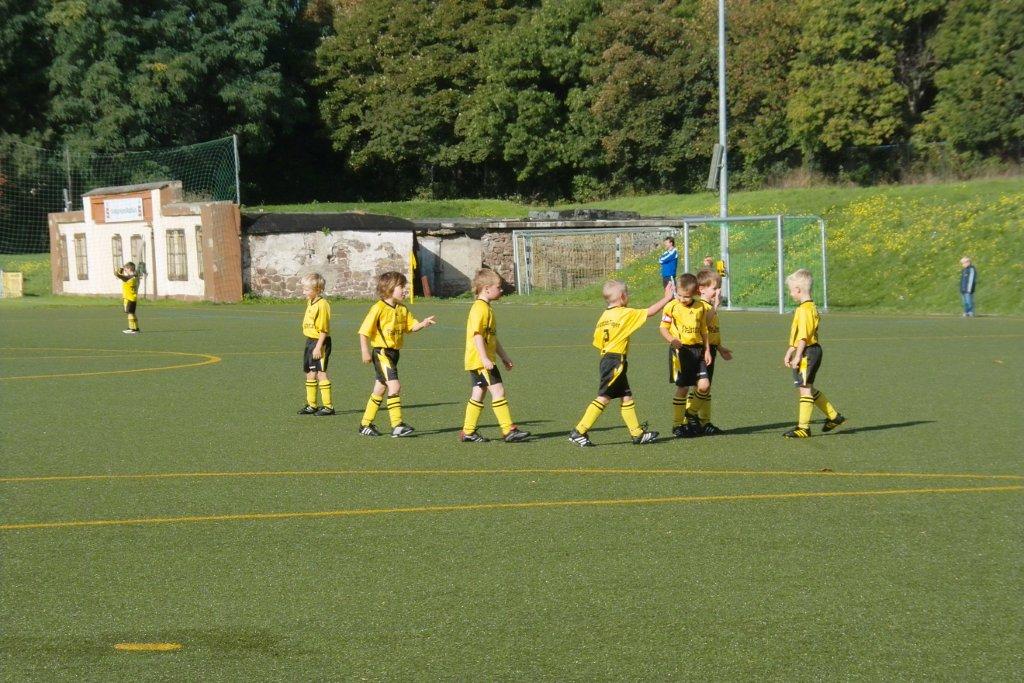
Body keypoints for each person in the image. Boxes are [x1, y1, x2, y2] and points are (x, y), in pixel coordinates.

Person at [568, 280, 674, 447]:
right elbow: (650, 312)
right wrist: (667, 297)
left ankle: (637, 433)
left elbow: (597, 341)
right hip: (615, 361)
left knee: (626, 396)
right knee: (604, 397)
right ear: (623, 296)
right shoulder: (625, 313)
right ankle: (579, 431)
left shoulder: (604, 316)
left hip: (607, 359)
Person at [357, 272, 436, 437]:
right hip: (382, 353)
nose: (405, 290)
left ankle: (365, 424)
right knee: (395, 386)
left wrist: (423, 323)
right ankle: (397, 425)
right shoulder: (378, 308)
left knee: (380, 389)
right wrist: (365, 351)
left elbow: (410, 327)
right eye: (402, 287)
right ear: (390, 288)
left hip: (394, 354)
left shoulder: (402, 309)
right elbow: (364, 332)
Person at [460, 268, 530, 443]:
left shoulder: (486, 308)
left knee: (479, 392)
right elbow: (477, 335)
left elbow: (492, 338)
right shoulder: (480, 309)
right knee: (498, 391)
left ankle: (468, 431)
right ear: (486, 289)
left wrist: (504, 356)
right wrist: (484, 358)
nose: (501, 289)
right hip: (481, 360)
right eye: (498, 287)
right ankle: (508, 430)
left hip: (479, 360)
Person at [782, 269, 844, 438]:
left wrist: (797, 355)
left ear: (798, 290)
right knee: (808, 387)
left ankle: (803, 428)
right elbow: (800, 334)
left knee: (804, 389)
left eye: (790, 290)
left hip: (808, 352)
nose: (790, 293)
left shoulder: (804, 310)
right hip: (810, 350)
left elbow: (804, 336)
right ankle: (834, 416)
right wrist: (790, 350)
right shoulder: (809, 307)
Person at [659, 273, 712, 438]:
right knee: (683, 388)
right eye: (680, 295)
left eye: (687, 297)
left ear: (695, 292)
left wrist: (707, 350)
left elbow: (704, 330)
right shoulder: (671, 306)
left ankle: (690, 413)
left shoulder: (700, 307)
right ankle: (677, 425)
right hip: (680, 351)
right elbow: (663, 328)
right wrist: (672, 340)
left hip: (698, 350)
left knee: (704, 386)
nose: (682, 299)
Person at [691, 268, 733, 434]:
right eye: (714, 288)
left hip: (712, 349)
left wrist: (720, 347)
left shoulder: (709, 306)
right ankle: (690, 416)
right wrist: (715, 306)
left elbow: (712, 331)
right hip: (702, 351)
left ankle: (704, 421)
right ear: (701, 289)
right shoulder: (701, 306)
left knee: (705, 388)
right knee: (701, 386)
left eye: (719, 288)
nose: (718, 291)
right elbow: (703, 324)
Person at [297, 272, 334, 416]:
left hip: (320, 342)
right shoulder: (310, 301)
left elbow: (324, 330)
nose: (304, 292)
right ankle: (312, 405)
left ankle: (328, 407)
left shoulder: (322, 305)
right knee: (310, 372)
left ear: (317, 289)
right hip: (310, 341)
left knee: (320, 372)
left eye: (307, 289)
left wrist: (318, 347)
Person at [114, 262, 141, 334]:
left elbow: (118, 275)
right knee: (132, 313)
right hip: (133, 298)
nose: (125, 271)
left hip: (129, 298)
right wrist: (123, 270)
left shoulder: (129, 278)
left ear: (129, 269)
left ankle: (131, 328)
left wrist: (120, 269)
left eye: (126, 269)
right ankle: (136, 328)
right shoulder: (135, 276)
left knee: (130, 313)